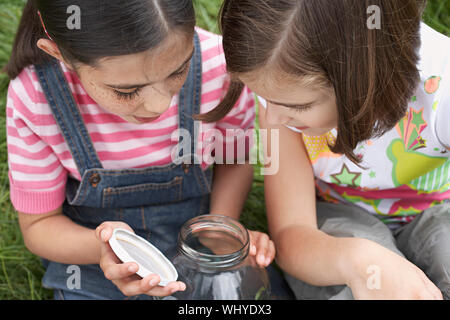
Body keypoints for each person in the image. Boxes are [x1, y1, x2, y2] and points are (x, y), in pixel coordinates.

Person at [4, 0, 276, 300]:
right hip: (95, 264)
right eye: (127, 91)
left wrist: (219, 232)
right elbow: (39, 226)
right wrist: (105, 249)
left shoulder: (218, 66)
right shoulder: (37, 97)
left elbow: (233, 161)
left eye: (178, 70)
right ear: (60, 53)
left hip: (195, 249)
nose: (160, 105)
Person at [199, 0, 450, 299]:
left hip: (438, 209)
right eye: (265, 98)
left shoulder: (441, 88)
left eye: (298, 106)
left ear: (362, 75)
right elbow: (293, 233)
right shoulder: (281, 83)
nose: (273, 118)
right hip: (336, 217)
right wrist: (358, 261)